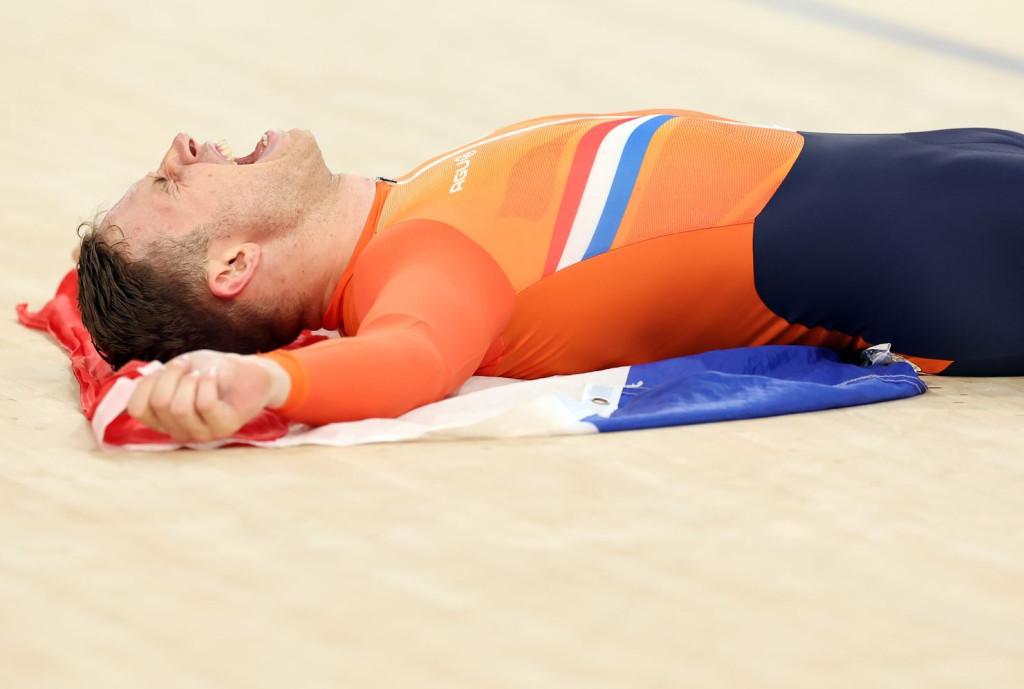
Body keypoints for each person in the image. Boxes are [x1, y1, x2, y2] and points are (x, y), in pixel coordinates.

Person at [76, 108, 1024, 443]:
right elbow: (411, 360)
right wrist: (270, 380)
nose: (181, 147)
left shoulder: (404, 211)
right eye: (170, 182)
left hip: (928, 184)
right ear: (234, 266)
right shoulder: (416, 267)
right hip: (940, 240)